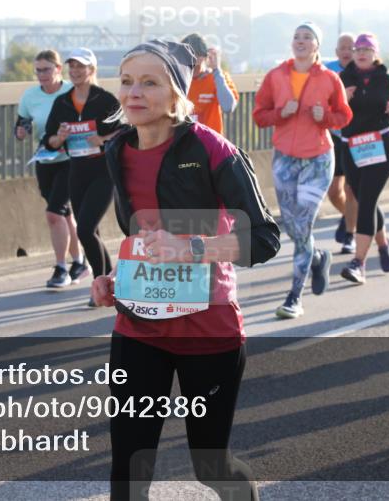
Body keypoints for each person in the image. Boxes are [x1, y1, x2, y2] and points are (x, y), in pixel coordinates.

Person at [91, 39, 280, 501]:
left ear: (177, 92)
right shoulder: (118, 150)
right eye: (127, 82)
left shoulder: (214, 149)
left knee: (211, 466)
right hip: (138, 329)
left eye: (149, 82)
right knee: (129, 470)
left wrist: (191, 247)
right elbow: (143, 233)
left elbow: (263, 239)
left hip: (207, 328)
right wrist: (119, 279)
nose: (133, 93)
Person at [253, 22, 352, 318]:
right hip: (284, 158)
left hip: (318, 159)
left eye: (307, 37)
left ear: (317, 46)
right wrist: (279, 114)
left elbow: (344, 116)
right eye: (297, 36)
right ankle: (318, 256)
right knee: (292, 225)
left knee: (303, 223)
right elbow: (259, 116)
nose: (301, 41)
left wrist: (326, 117)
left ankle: (294, 296)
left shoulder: (329, 78)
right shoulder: (276, 76)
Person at [42, 48, 125, 305]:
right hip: (76, 171)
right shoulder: (63, 102)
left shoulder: (106, 100)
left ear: (92, 69)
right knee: (92, 231)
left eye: (81, 66)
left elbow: (126, 132)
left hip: (103, 171)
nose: (76, 71)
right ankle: (109, 286)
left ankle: (99, 285)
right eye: (72, 66)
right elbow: (49, 141)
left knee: (86, 229)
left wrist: (102, 139)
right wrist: (60, 137)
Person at [338, 33, 389, 285]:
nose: (360, 53)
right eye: (357, 49)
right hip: (352, 146)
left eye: (366, 50)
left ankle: (358, 262)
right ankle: (383, 244)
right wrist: (342, 100)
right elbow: (330, 110)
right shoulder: (341, 79)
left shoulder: (387, 79)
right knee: (362, 197)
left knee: (367, 200)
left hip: (382, 143)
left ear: (375, 54)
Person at [16, 49, 90, 289]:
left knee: (54, 213)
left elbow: (88, 122)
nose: (42, 74)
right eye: (38, 70)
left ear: (58, 70)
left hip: (71, 160)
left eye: (46, 69)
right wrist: (21, 130)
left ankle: (61, 269)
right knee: (64, 214)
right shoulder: (30, 96)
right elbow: (23, 122)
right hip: (45, 161)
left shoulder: (72, 91)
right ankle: (79, 262)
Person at [325, 33, 357, 253]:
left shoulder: (364, 70)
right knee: (334, 191)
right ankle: (350, 217)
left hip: (357, 137)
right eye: (342, 47)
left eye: (351, 47)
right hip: (334, 136)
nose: (347, 51)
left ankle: (351, 234)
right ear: (336, 51)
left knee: (351, 189)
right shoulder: (327, 70)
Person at [182, 33, 239, 136]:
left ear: (204, 57)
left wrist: (217, 70)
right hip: (184, 144)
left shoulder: (218, 78)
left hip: (210, 144)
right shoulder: (178, 80)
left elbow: (228, 106)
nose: (191, 69)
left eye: (195, 64)